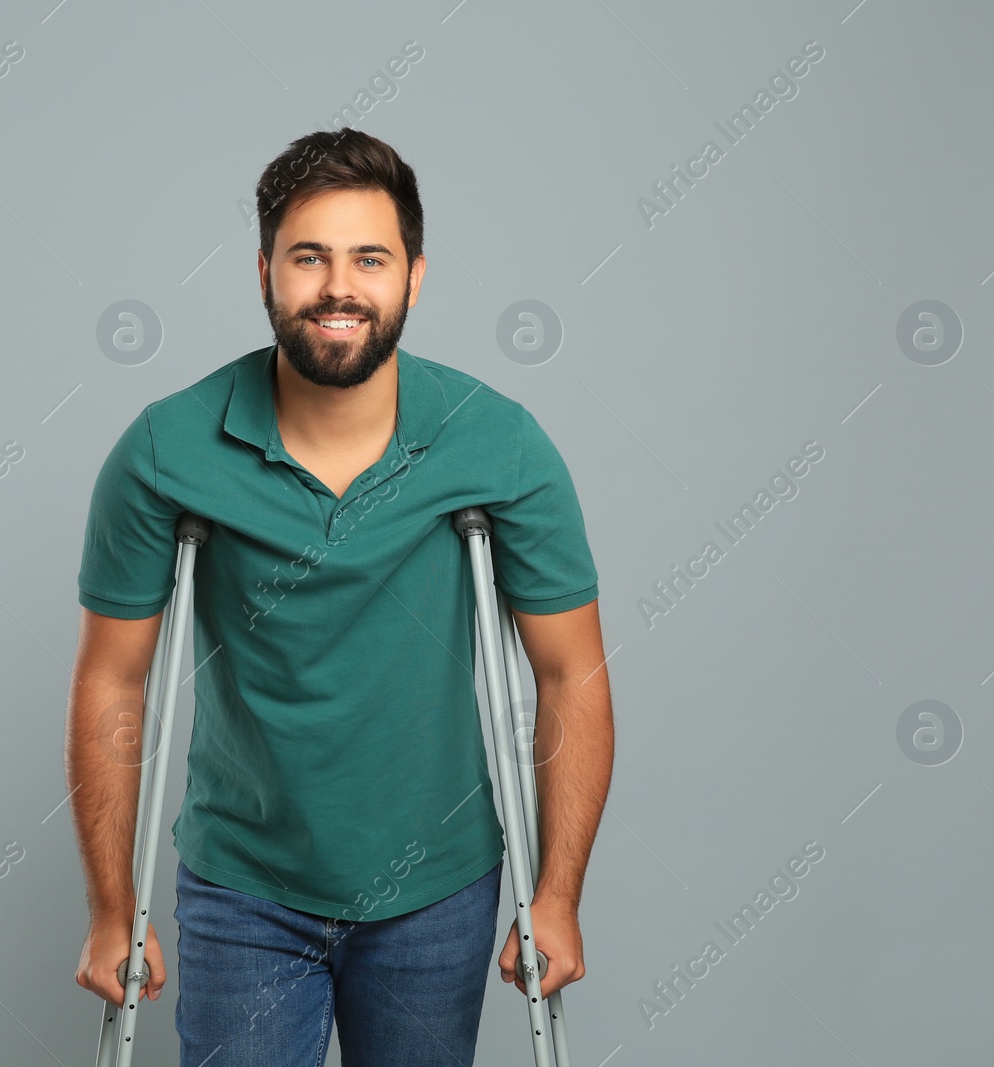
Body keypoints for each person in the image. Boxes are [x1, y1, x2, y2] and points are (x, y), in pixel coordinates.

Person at [68, 127, 614, 1067]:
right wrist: (114, 909)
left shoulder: (497, 443)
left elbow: (569, 673)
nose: (338, 287)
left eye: (370, 257)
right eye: (308, 256)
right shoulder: (169, 449)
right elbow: (115, 680)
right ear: (265, 270)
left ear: (414, 274)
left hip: (436, 891)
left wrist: (556, 894)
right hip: (246, 886)